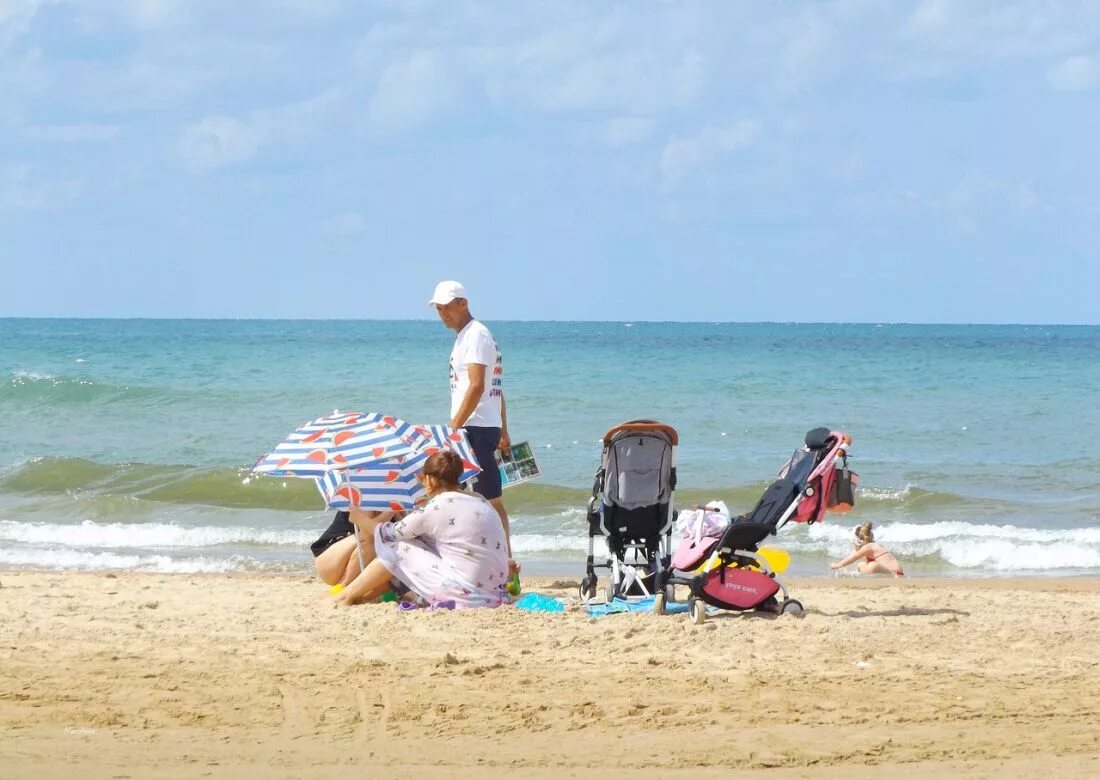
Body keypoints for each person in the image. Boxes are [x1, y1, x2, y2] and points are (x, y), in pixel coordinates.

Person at [334, 450, 509, 608]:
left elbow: (388, 534)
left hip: (468, 596)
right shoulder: (480, 499)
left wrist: (358, 518)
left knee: (398, 547)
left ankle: (345, 595)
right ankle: (361, 594)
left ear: (430, 479)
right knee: (417, 545)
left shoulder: (436, 507)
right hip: (494, 594)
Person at [428, 280, 517, 574]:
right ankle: (483, 558)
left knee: (490, 499)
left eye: (447, 308)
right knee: (475, 496)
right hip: (479, 426)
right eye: (439, 309)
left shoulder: (476, 335)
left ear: (463, 303)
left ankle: (506, 564)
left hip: (475, 428)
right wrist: (503, 429)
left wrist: (453, 429)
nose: (443, 314)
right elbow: (496, 388)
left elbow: (478, 387)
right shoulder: (465, 336)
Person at [830, 521, 905, 576]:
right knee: (864, 564)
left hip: (892, 572)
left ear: (857, 542)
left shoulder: (868, 547)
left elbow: (853, 557)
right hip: (898, 572)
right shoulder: (875, 546)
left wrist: (838, 565)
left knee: (868, 565)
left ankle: (854, 574)